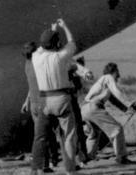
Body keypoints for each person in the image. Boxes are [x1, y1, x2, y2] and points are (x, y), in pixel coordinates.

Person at [30, 19, 81, 175]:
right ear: (57, 43)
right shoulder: (60, 56)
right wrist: (63, 27)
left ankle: (35, 169)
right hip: (62, 98)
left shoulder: (35, 57)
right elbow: (72, 43)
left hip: (44, 99)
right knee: (68, 137)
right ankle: (70, 170)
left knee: (40, 137)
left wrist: (51, 31)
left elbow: (41, 47)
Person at [81, 62, 136, 164]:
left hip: (85, 108)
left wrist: (131, 107)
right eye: (118, 72)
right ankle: (122, 158)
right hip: (93, 108)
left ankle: (86, 158)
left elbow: (114, 100)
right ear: (113, 71)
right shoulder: (108, 77)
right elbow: (117, 92)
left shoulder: (103, 82)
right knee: (117, 129)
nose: (119, 75)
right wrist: (133, 103)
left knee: (94, 134)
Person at [21, 42, 59, 171]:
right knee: (46, 133)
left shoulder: (27, 65)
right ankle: (49, 162)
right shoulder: (39, 64)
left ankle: (46, 163)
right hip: (43, 101)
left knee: (41, 134)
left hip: (34, 102)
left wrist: (27, 100)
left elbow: (32, 84)